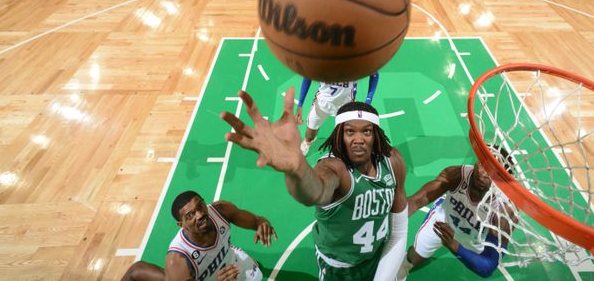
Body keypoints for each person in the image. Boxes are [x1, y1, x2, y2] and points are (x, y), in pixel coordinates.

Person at [221, 92, 408, 280]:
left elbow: (398, 230)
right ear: (339, 135)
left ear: (375, 135)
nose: (358, 139)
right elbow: (314, 192)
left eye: (366, 131)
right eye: (350, 131)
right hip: (340, 269)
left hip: (377, 256)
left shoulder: (393, 162)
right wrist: (297, 170)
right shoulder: (334, 168)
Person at [397, 150, 518, 280]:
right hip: (443, 222)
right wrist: (393, 215)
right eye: (482, 164)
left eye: (492, 172)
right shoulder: (458, 175)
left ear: (502, 180)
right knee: (414, 256)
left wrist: (454, 245)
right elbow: (416, 201)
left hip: (475, 240)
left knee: (476, 265)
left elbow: (488, 267)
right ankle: (403, 268)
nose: (482, 173)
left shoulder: (505, 210)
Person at [121, 191, 275, 281]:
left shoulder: (221, 210)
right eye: (190, 215)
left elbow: (257, 221)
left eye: (200, 206)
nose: (200, 214)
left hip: (231, 264)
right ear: (181, 224)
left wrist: (263, 224)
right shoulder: (178, 260)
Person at [295, 73, 380, 156]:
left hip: (346, 105)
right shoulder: (321, 62)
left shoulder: (355, 63)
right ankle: (307, 142)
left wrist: (368, 100)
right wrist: (300, 104)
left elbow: (374, 74)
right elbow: (307, 76)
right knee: (310, 136)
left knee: (346, 136)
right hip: (322, 104)